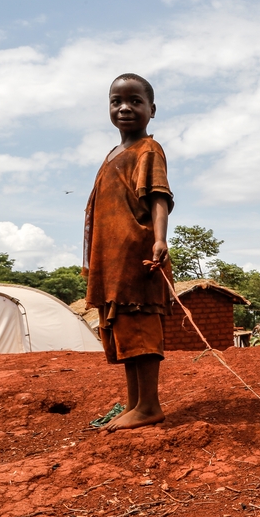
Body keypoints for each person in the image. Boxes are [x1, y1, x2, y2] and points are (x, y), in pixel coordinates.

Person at [83, 73, 174, 432]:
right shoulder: (112, 154)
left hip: (139, 254)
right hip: (113, 260)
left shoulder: (148, 149)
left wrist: (160, 240)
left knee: (140, 327)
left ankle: (149, 405)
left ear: (152, 109)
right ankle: (136, 403)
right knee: (124, 328)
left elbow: (158, 198)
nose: (125, 107)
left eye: (135, 101)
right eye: (116, 101)